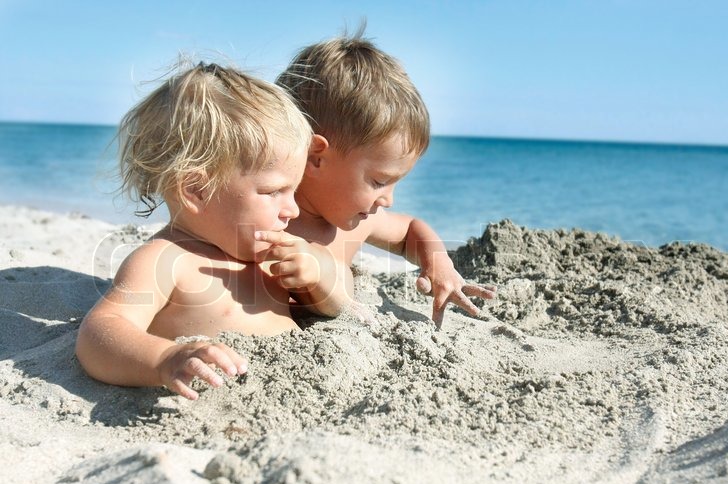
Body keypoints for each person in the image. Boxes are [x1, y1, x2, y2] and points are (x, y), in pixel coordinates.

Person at [76, 61, 345, 400]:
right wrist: (164, 359)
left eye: (294, 190)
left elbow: (333, 308)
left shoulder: (266, 255)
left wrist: (317, 279)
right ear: (197, 191)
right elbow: (100, 333)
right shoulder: (165, 260)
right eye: (273, 191)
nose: (292, 210)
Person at [276, 31, 497, 327]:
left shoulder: (358, 221)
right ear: (316, 157)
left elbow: (408, 231)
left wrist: (438, 262)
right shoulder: (271, 221)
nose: (389, 199)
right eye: (379, 182)